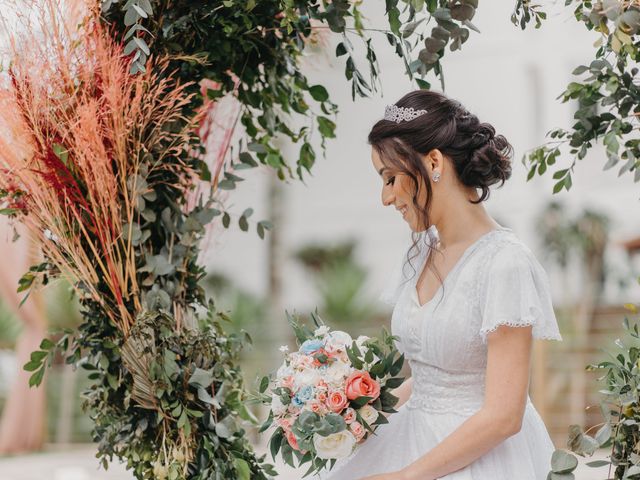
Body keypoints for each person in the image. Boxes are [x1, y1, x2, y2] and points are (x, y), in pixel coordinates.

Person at [317, 90, 562, 480]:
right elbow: (436, 378)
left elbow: (504, 416)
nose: (385, 197)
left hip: (479, 457)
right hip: (409, 436)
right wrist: (352, 416)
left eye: (391, 178)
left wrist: (406, 476)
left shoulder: (505, 264)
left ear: (433, 162)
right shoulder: (422, 252)